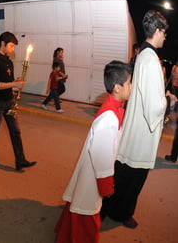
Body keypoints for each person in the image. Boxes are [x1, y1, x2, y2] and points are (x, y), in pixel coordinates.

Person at [100, 10, 168, 229]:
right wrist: (166, 101)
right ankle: (116, 212)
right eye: (164, 32)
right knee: (131, 179)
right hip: (142, 134)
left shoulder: (143, 56)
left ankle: (113, 210)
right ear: (157, 31)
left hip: (137, 128)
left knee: (125, 175)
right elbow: (153, 107)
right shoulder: (150, 61)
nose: (165, 36)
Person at [54, 60, 132, 243]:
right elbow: (101, 156)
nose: (132, 86)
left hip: (91, 174)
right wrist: (106, 185)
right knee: (87, 217)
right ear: (117, 88)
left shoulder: (113, 110)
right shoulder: (109, 118)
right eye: (129, 82)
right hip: (93, 177)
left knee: (82, 207)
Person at [0, 31, 37, 171]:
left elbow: (7, 81)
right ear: (3, 44)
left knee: (15, 132)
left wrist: (16, 82)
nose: (12, 49)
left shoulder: (8, 61)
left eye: (14, 47)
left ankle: (20, 160)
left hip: (9, 101)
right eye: (11, 46)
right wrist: (14, 85)